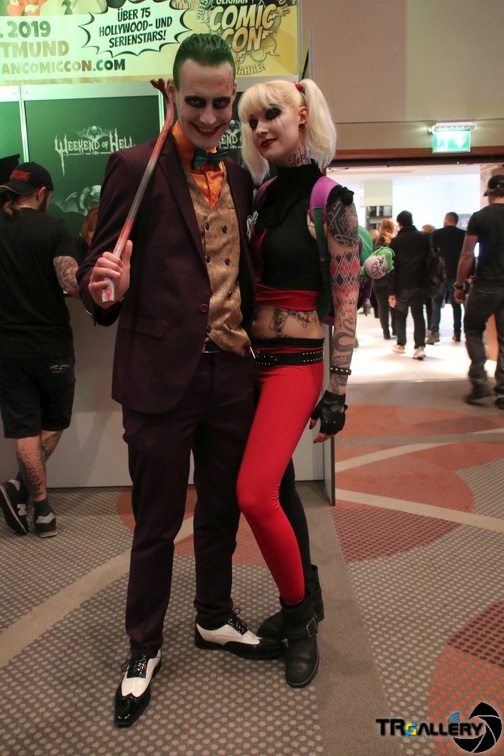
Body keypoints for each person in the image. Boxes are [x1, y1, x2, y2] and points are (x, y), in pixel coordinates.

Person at [77, 33, 281, 729]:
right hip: (161, 377)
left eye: (222, 103)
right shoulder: (135, 167)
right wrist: (105, 287)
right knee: (157, 523)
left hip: (232, 374)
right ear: (174, 94)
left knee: (221, 510)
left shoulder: (241, 175)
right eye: (196, 102)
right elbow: (100, 269)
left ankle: (213, 616)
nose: (210, 116)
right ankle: (143, 645)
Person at [237, 79, 360, 688]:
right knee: (280, 491)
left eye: (272, 114)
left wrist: (338, 388)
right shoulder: (261, 193)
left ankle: (299, 616)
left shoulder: (330, 198)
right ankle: (305, 592)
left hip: (297, 361)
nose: (262, 128)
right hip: (249, 360)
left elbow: (346, 295)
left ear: (303, 113)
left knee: (253, 493)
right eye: (252, 120)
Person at [0, 161, 79, 538]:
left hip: (7, 347)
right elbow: (71, 282)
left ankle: (29, 497)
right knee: (54, 421)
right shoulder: (55, 227)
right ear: (43, 193)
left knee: (25, 427)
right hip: (51, 344)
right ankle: (36, 502)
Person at [454, 175, 504, 407]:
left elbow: (467, 255)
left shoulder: (480, 217)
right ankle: (502, 393)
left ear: (490, 193)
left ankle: (479, 381)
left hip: (486, 285)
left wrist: (459, 285)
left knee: (473, 329)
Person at [388, 211, 431, 360]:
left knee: (400, 314)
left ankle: (401, 343)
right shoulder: (424, 238)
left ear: (399, 224)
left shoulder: (396, 242)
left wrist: (391, 291)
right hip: (419, 282)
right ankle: (419, 347)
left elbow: (392, 267)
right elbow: (430, 260)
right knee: (418, 315)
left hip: (402, 284)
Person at [427, 212, 466, 344]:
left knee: (436, 304)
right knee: (456, 305)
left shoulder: (437, 234)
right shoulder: (463, 235)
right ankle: (457, 333)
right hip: (456, 274)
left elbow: (432, 254)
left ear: (447, 219)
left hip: (440, 274)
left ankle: (434, 333)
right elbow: (467, 255)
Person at [372, 217, 396, 339]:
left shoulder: (375, 241)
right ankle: (396, 329)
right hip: (391, 278)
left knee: (382, 307)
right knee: (394, 305)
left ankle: (386, 332)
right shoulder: (393, 241)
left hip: (378, 279)